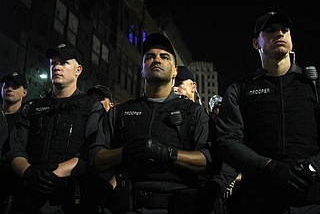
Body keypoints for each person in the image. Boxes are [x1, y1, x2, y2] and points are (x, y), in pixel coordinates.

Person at [89, 32, 212, 214]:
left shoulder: (193, 112)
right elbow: (96, 158)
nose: (157, 60)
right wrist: (126, 152)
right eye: (150, 57)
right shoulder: (119, 112)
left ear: (175, 71)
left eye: (164, 57)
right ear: (142, 69)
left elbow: (208, 160)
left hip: (178, 206)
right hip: (128, 206)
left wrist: (167, 153)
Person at [216, 11, 320, 214]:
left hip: (311, 200)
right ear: (256, 43)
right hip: (259, 201)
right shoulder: (240, 90)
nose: (279, 33)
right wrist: (270, 167)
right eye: (271, 30)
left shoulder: (314, 86)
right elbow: (228, 140)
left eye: (285, 30)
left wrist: (312, 167)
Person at [7, 43, 104, 213]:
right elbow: (15, 148)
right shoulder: (32, 107)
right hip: (30, 198)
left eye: (64, 62)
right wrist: (29, 172)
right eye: (53, 63)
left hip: (70, 200)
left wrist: (54, 173)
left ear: (78, 70)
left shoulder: (91, 108)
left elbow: (92, 152)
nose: (57, 67)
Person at [0, 72, 28, 213]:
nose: (9, 89)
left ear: (24, 92)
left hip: (14, 185)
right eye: (6, 86)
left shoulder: (27, 120)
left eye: (15, 86)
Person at [86, 84, 115, 213]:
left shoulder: (116, 126)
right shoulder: (85, 123)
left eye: (100, 99)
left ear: (111, 104)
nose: (95, 103)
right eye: (92, 99)